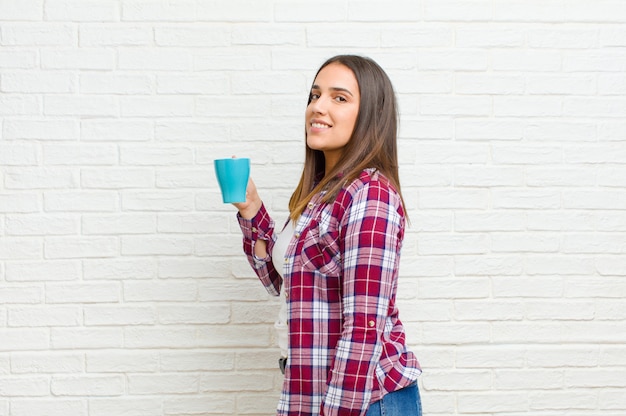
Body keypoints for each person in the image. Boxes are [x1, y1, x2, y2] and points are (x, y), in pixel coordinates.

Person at [233, 55, 422, 416]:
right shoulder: (320, 195)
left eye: (339, 98)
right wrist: (252, 209)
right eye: (315, 95)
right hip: (311, 389)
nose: (317, 107)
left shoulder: (369, 194)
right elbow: (283, 285)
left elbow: (364, 326)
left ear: (370, 116)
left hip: (365, 401)